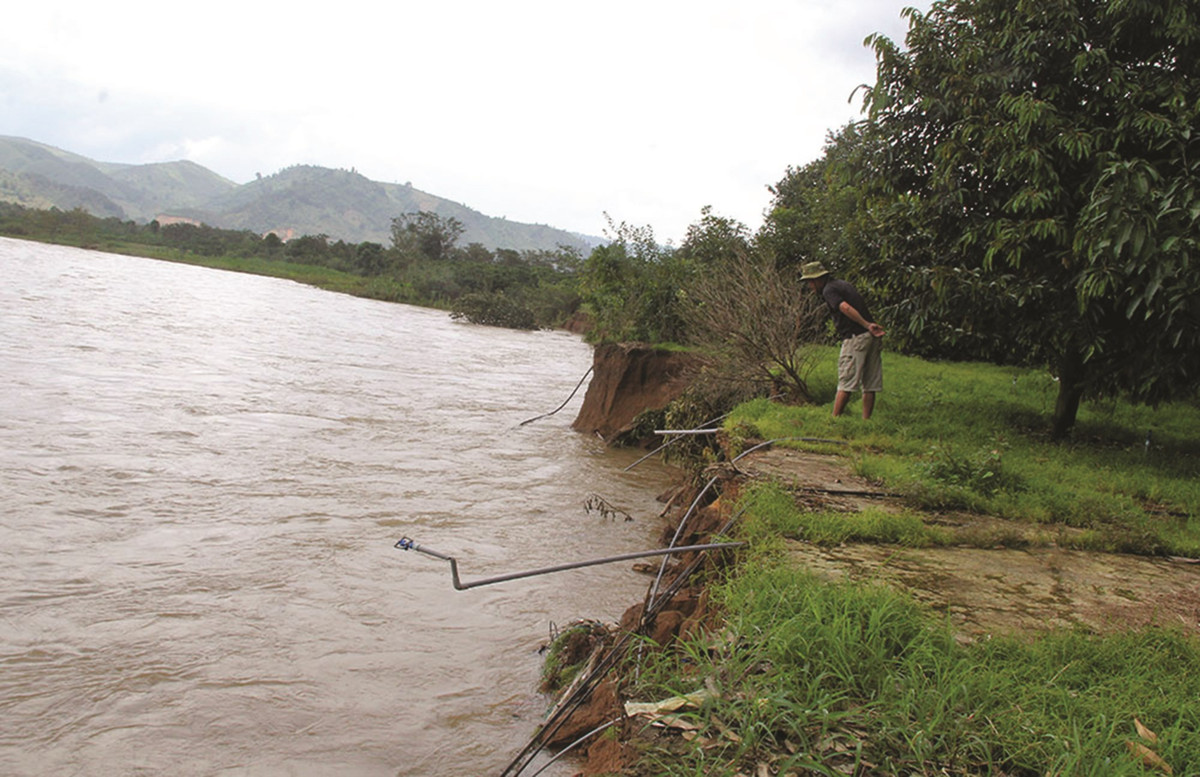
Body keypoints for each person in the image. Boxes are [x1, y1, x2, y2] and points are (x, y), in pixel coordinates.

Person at [799, 261, 885, 419]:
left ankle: (834, 421)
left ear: (817, 279)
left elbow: (844, 307)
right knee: (869, 383)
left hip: (856, 337)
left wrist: (866, 325)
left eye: (810, 282)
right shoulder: (843, 284)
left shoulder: (828, 290)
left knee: (845, 381)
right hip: (869, 337)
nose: (810, 286)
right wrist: (869, 327)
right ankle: (866, 421)